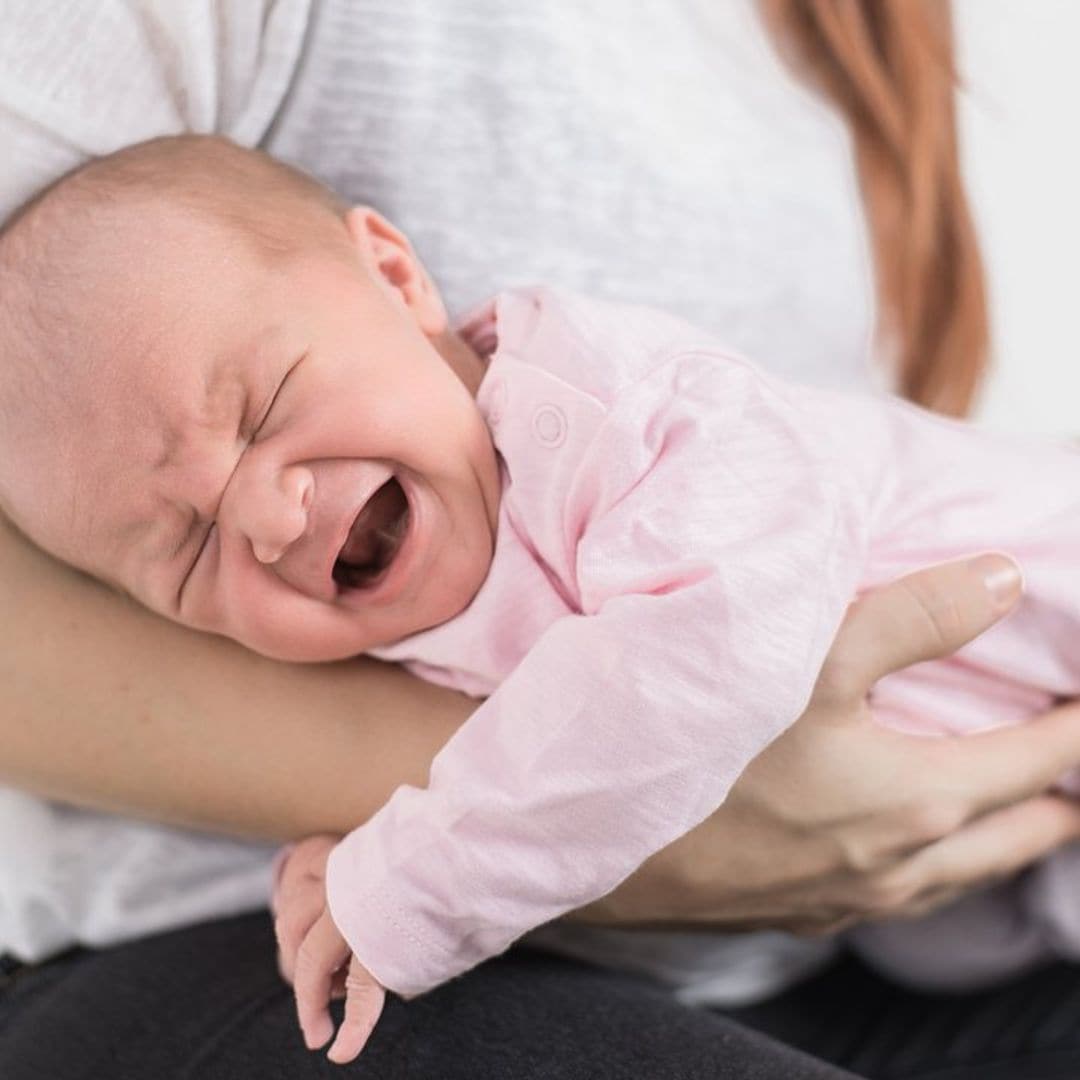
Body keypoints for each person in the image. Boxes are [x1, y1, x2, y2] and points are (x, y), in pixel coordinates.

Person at [2, 3, 1080, 1078]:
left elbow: (717, 650)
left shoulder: (618, 416)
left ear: (394, 275)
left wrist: (422, 872)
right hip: (221, 958)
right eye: (187, 550)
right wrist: (338, 863)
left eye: (266, 400)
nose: (268, 518)